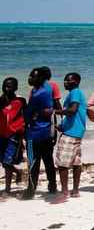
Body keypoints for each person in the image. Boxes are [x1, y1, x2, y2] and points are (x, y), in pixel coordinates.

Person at [23, 68, 57, 199]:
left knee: (32, 162)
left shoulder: (37, 94)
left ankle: (31, 190)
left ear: (41, 78)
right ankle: (52, 186)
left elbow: (29, 114)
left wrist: (30, 117)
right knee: (48, 161)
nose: (30, 78)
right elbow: (48, 110)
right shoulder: (46, 89)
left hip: (35, 133)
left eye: (33, 76)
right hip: (46, 132)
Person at [52, 73, 87, 202]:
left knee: (62, 164)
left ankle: (65, 191)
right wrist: (61, 126)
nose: (65, 82)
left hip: (71, 134)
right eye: (65, 79)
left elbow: (72, 110)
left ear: (76, 81)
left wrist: (54, 111)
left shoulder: (75, 92)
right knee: (76, 162)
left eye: (68, 80)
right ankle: (75, 190)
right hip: (76, 132)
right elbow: (73, 116)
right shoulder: (74, 93)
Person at [1, 77, 26, 195]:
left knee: (7, 162)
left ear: (15, 88)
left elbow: (26, 116)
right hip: (1, 134)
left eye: (9, 86)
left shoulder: (20, 101)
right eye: (4, 86)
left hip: (14, 135)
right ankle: (18, 172)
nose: (6, 88)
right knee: (3, 161)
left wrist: (24, 133)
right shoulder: (0, 101)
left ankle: (7, 189)